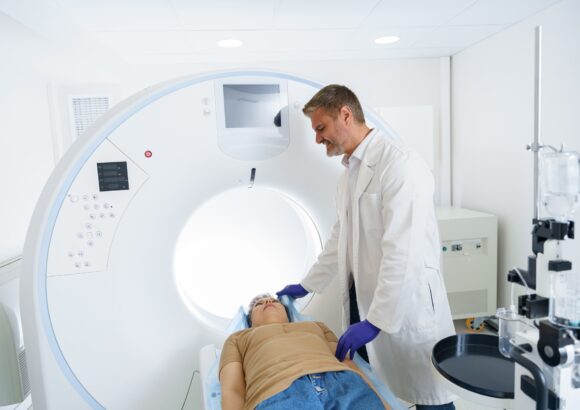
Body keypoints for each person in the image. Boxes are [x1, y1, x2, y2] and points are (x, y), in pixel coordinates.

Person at [277, 85, 456, 409]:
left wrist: (377, 320)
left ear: (345, 114)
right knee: (376, 394)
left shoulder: (400, 165)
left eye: (321, 128)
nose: (317, 139)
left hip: (406, 304)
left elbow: (404, 252)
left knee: (430, 397)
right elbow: (339, 239)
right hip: (366, 302)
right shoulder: (347, 176)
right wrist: (307, 284)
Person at [219, 294, 389, 410]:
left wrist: (384, 403)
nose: (268, 302)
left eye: (274, 301)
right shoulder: (238, 339)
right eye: (259, 304)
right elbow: (233, 389)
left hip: (344, 383)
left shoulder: (317, 326)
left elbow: (346, 361)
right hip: (276, 390)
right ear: (250, 320)